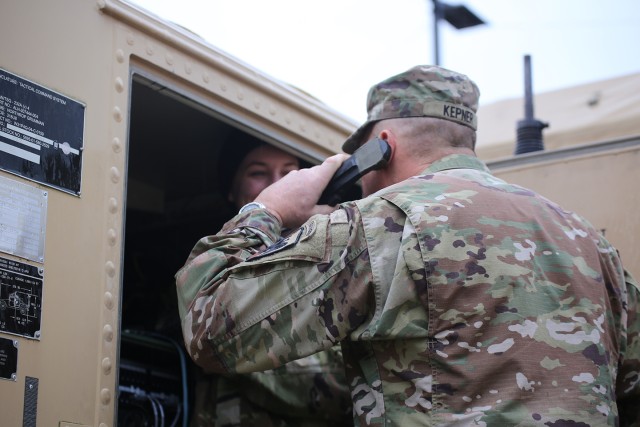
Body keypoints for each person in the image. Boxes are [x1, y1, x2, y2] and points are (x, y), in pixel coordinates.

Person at [176, 66, 640, 426]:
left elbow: (210, 327)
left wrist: (269, 210)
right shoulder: (587, 240)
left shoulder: (381, 223)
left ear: (383, 146)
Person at [191, 135, 352, 427]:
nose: (276, 185)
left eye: (289, 173)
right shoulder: (213, 263)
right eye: (258, 173)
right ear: (232, 188)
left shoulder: (329, 258)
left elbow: (337, 385)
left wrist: (266, 210)